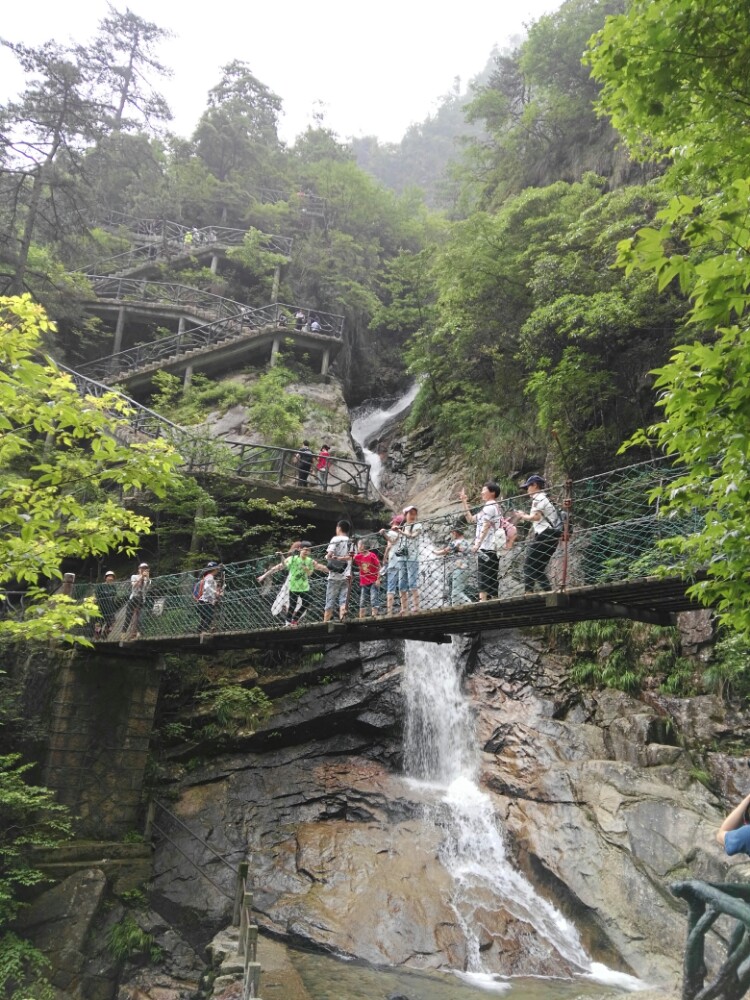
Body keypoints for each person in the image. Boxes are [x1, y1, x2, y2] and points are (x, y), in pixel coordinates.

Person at [257, 542, 327, 627]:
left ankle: (293, 622)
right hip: (291, 584)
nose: (305, 551)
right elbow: (278, 567)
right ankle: (289, 623)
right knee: (290, 603)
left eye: (308, 550)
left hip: (301, 585)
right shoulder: (292, 559)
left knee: (298, 603)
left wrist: (335, 571)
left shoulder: (309, 561)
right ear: (299, 549)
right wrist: (264, 576)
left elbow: (320, 567)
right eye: (304, 549)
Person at [514, 475, 562, 594]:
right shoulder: (546, 498)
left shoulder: (538, 498)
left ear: (535, 485)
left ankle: (528, 592)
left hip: (545, 534)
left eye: (528, 487)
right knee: (538, 568)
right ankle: (549, 592)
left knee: (528, 565)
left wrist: (522, 516)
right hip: (553, 535)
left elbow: (536, 517)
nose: (527, 491)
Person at [460, 482, 502, 601]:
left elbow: (486, 525)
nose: (482, 492)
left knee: (483, 574)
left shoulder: (490, 507)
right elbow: (471, 519)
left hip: (486, 546)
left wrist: (477, 544)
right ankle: (494, 600)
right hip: (492, 547)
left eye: (484, 490)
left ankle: (482, 601)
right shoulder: (490, 507)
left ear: (492, 492)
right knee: (492, 575)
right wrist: (464, 502)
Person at [392, 505, 422, 613]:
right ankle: (404, 608)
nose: (413, 516)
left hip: (413, 558)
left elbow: (412, 536)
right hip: (402, 558)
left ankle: (416, 607)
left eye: (414, 513)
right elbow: (395, 541)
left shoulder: (418, 525)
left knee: (412, 582)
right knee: (401, 584)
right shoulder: (403, 526)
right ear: (406, 515)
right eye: (410, 513)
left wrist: (399, 531)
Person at [433, 524, 472, 606]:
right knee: (455, 592)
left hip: (460, 570)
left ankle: (471, 605)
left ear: (454, 532)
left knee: (455, 593)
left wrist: (433, 552)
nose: (451, 535)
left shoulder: (456, 542)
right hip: (465, 570)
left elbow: (444, 551)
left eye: (452, 533)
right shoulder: (466, 542)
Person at [324, 520, 353, 622]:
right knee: (343, 601)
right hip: (347, 574)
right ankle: (342, 620)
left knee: (330, 601)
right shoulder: (351, 541)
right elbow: (351, 557)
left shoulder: (336, 539)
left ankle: (325, 623)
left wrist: (327, 557)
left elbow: (330, 554)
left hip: (334, 575)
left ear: (339, 528)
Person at [379, 514, 404, 616]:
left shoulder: (392, 532)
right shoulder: (403, 533)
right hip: (402, 562)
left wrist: (384, 533)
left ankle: (389, 612)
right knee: (402, 587)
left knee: (391, 588)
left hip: (393, 563)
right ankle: (404, 609)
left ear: (394, 523)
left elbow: (390, 542)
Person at [353, 539, 381, 618]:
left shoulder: (372, 555)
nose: (357, 547)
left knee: (374, 599)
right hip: (364, 582)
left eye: (358, 545)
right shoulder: (359, 556)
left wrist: (378, 579)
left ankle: (374, 616)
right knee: (362, 601)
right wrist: (336, 557)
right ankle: (361, 618)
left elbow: (379, 567)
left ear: (363, 546)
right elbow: (349, 557)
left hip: (373, 581)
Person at [123, 562, 151, 639]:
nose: (143, 570)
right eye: (142, 568)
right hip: (133, 598)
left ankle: (138, 635)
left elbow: (147, 588)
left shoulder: (148, 580)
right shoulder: (134, 576)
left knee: (141, 617)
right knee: (128, 617)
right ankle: (123, 635)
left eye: (145, 569)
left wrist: (147, 578)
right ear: (139, 569)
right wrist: (141, 577)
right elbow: (134, 586)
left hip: (142, 599)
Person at [195, 561, 223, 634]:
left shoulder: (208, 577)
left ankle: (199, 631)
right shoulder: (210, 577)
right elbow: (207, 588)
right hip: (205, 601)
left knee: (205, 617)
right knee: (209, 616)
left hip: (204, 601)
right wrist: (216, 593)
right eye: (217, 569)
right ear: (215, 569)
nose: (218, 571)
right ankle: (203, 631)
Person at [95, 571, 119, 638]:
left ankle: (104, 635)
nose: (111, 578)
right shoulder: (101, 586)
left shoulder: (113, 587)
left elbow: (114, 597)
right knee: (98, 623)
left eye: (112, 577)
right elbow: (96, 596)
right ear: (106, 578)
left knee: (112, 624)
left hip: (110, 608)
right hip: (101, 607)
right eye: (109, 576)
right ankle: (97, 636)